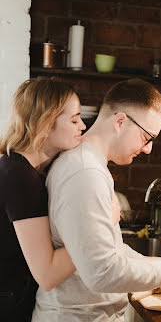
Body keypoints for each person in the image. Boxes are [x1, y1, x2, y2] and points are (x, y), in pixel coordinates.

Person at [32, 78, 161, 322]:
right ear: (120, 122)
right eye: (147, 137)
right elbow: (101, 272)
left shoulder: (90, 165)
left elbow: (108, 251)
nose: (148, 149)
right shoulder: (85, 173)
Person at [0, 77, 86, 321]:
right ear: (46, 123)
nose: (82, 126)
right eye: (74, 119)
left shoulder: (25, 168)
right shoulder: (20, 177)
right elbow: (47, 274)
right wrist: (93, 235)